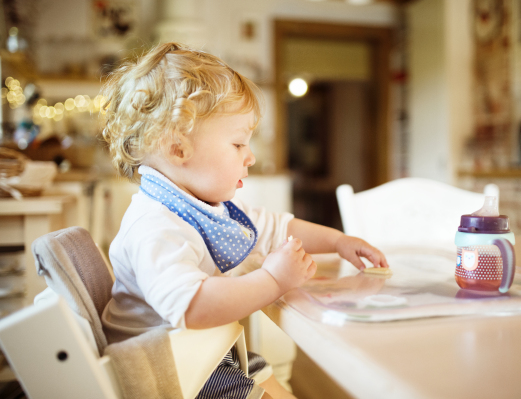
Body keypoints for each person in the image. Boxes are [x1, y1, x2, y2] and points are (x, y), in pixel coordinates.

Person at [100, 42, 389, 399]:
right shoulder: (154, 226)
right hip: (167, 372)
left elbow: (276, 228)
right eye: (238, 144)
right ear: (177, 149)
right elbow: (194, 307)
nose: (250, 157)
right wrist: (273, 279)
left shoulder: (202, 206)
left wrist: (339, 242)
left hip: (207, 355)